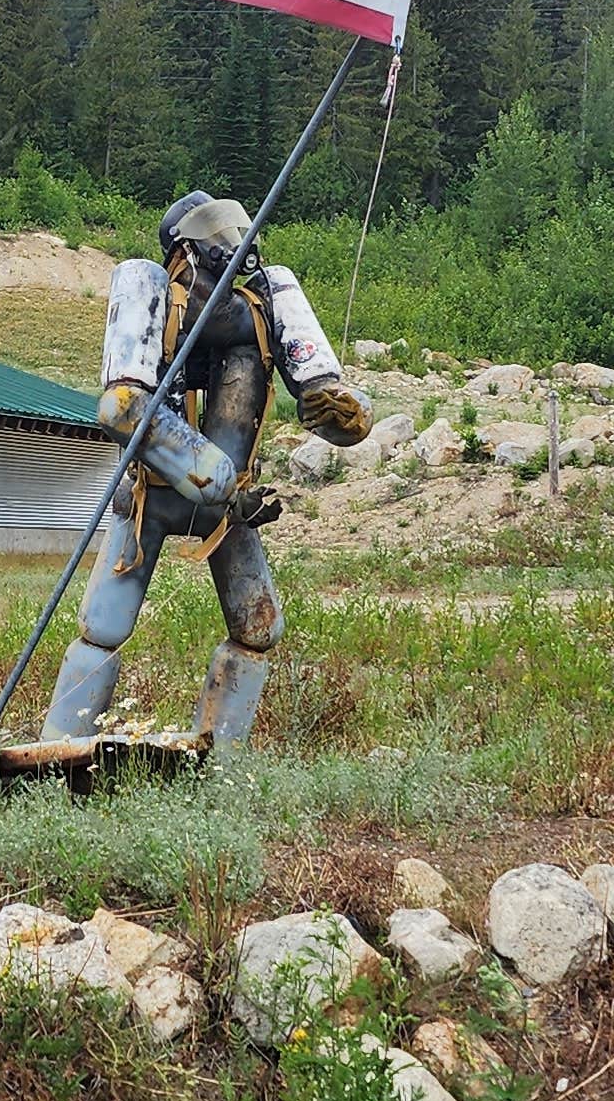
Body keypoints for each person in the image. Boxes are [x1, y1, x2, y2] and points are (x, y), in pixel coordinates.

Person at [39, 191, 371, 756]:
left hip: (228, 509)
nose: (229, 241)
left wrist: (339, 407)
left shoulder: (266, 301)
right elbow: (122, 406)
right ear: (184, 247)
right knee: (104, 628)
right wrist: (209, 475)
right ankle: (61, 747)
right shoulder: (148, 288)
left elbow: (331, 410)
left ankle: (219, 751)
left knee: (258, 631)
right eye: (212, 230)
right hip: (153, 495)